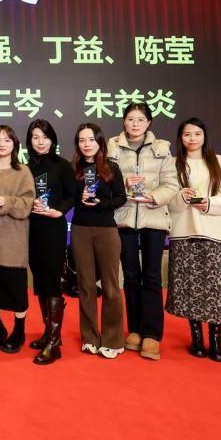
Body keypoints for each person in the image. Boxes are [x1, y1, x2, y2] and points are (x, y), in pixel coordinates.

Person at [166, 118, 221, 363]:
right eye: (187, 134)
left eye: (197, 133)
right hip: (184, 233)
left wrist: (210, 203)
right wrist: (181, 196)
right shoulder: (172, 165)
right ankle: (197, 339)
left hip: (216, 234)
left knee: (217, 289)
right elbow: (166, 199)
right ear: (180, 138)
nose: (192, 138)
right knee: (189, 289)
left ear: (204, 136)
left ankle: (216, 340)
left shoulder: (220, 162)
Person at [107, 102, 179, 361]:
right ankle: (135, 329)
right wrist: (123, 186)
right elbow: (105, 181)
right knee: (130, 275)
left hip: (154, 216)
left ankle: (152, 334)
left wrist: (153, 196)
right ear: (123, 121)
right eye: (130, 119)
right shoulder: (112, 148)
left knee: (151, 276)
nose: (135, 124)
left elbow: (172, 184)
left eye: (140, 119)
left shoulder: (161, 148)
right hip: (124, 217)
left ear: (149, 123)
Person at [70, 123, 127, 359]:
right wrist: (80, 197)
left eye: (91, 139)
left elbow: (121, 198)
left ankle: (113, 339)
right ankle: (90, 337)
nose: (86, 144)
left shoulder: (111, 167)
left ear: (100, 142)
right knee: (86, 285)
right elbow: (68, 198)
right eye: (82, 140)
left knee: (111, 285)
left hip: (106, 229)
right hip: (80, 229)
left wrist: (101, 204)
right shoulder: (73, 169)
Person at [0, 125, 35, 354]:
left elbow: (28, 203)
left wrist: (7, 201)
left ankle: (19, 331)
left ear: (15, 144)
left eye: (7, 140)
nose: (2, 144)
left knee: (16, 289)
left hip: (14, 240)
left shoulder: (23, 172)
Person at [25, 119, 76, 365]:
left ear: (52, 139)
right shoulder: (26, 168)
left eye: (44, 137)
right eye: (35, 137)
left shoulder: (62, 165)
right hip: (31, 229)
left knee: (52, 280)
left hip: (54, 228)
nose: (40, 142)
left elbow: (72, 194)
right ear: (29, 141)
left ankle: (54, 344)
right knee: (39, 280)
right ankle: (48, 333)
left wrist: (60, 211)